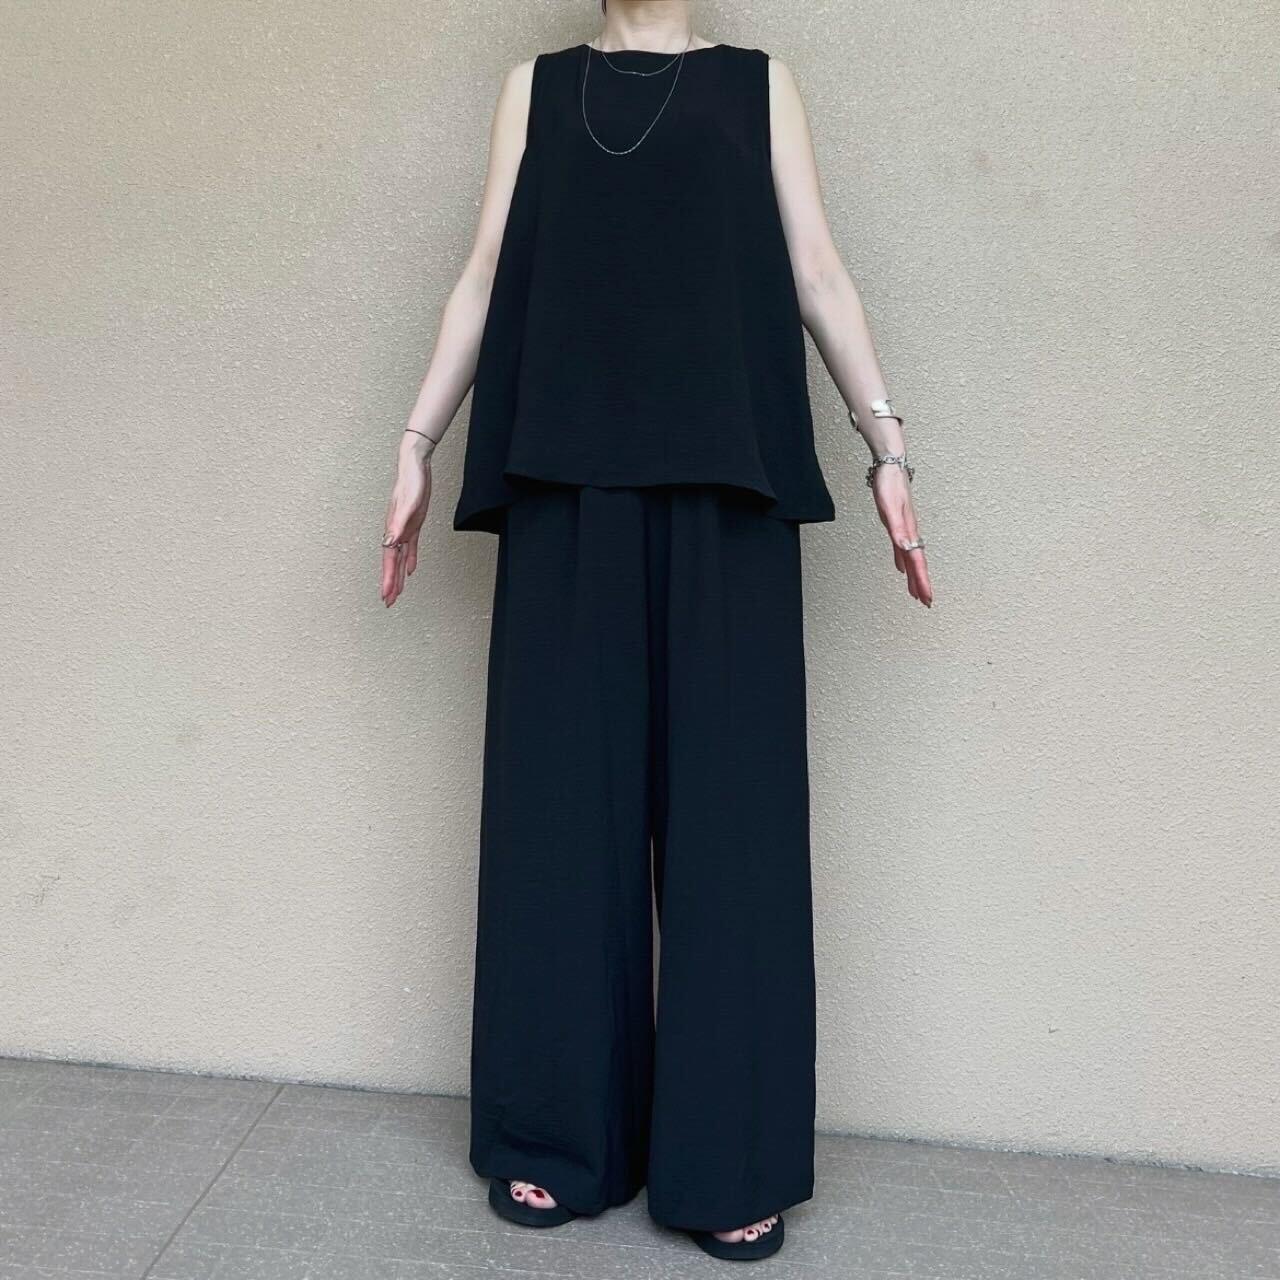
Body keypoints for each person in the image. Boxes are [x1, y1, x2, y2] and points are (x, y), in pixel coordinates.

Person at [379, 0, 932, 1262]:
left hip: (726, 493)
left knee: (733, 831)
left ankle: (726, 1155)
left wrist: (886, 449)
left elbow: (816, 272)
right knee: (557, 822)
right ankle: (555, 1133)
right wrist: (415, 442)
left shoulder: (757, 85)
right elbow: (483, 274)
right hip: (565, 487)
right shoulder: (532, 86)